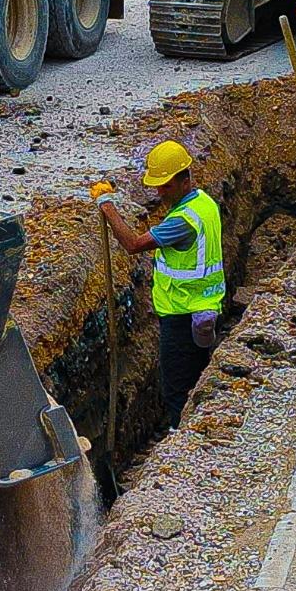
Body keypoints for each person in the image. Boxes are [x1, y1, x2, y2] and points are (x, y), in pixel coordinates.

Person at [90, 139, 225, 430]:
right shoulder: (204, 203)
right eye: (158, 185)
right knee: (196, 377)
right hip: (205, 306)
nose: (159, 192)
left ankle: (181, 440)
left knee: (177, 389)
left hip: (182, 315)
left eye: (165, 185)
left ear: (184, 179)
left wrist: (107, 205)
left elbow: (133, 244)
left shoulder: (183, 221)